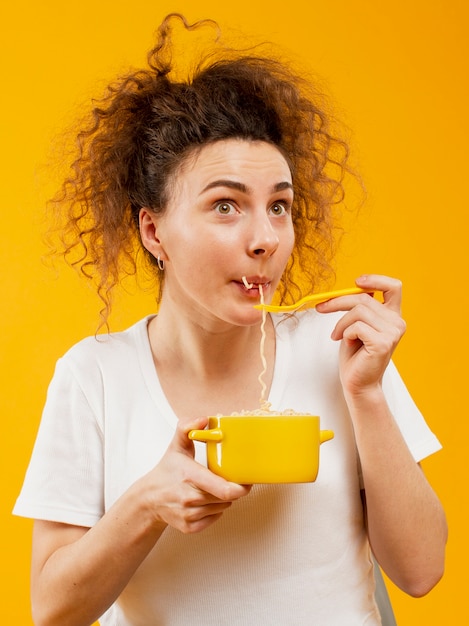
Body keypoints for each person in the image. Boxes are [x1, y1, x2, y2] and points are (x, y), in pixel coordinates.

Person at [14, 13, 447, 626]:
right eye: (226, 206)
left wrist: (368, 393)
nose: (266, 237)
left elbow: (423, 571)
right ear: (153, 229)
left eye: (279, 206)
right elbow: (52, 611)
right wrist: (145, 504)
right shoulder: (96, 376)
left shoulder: (339, 353)